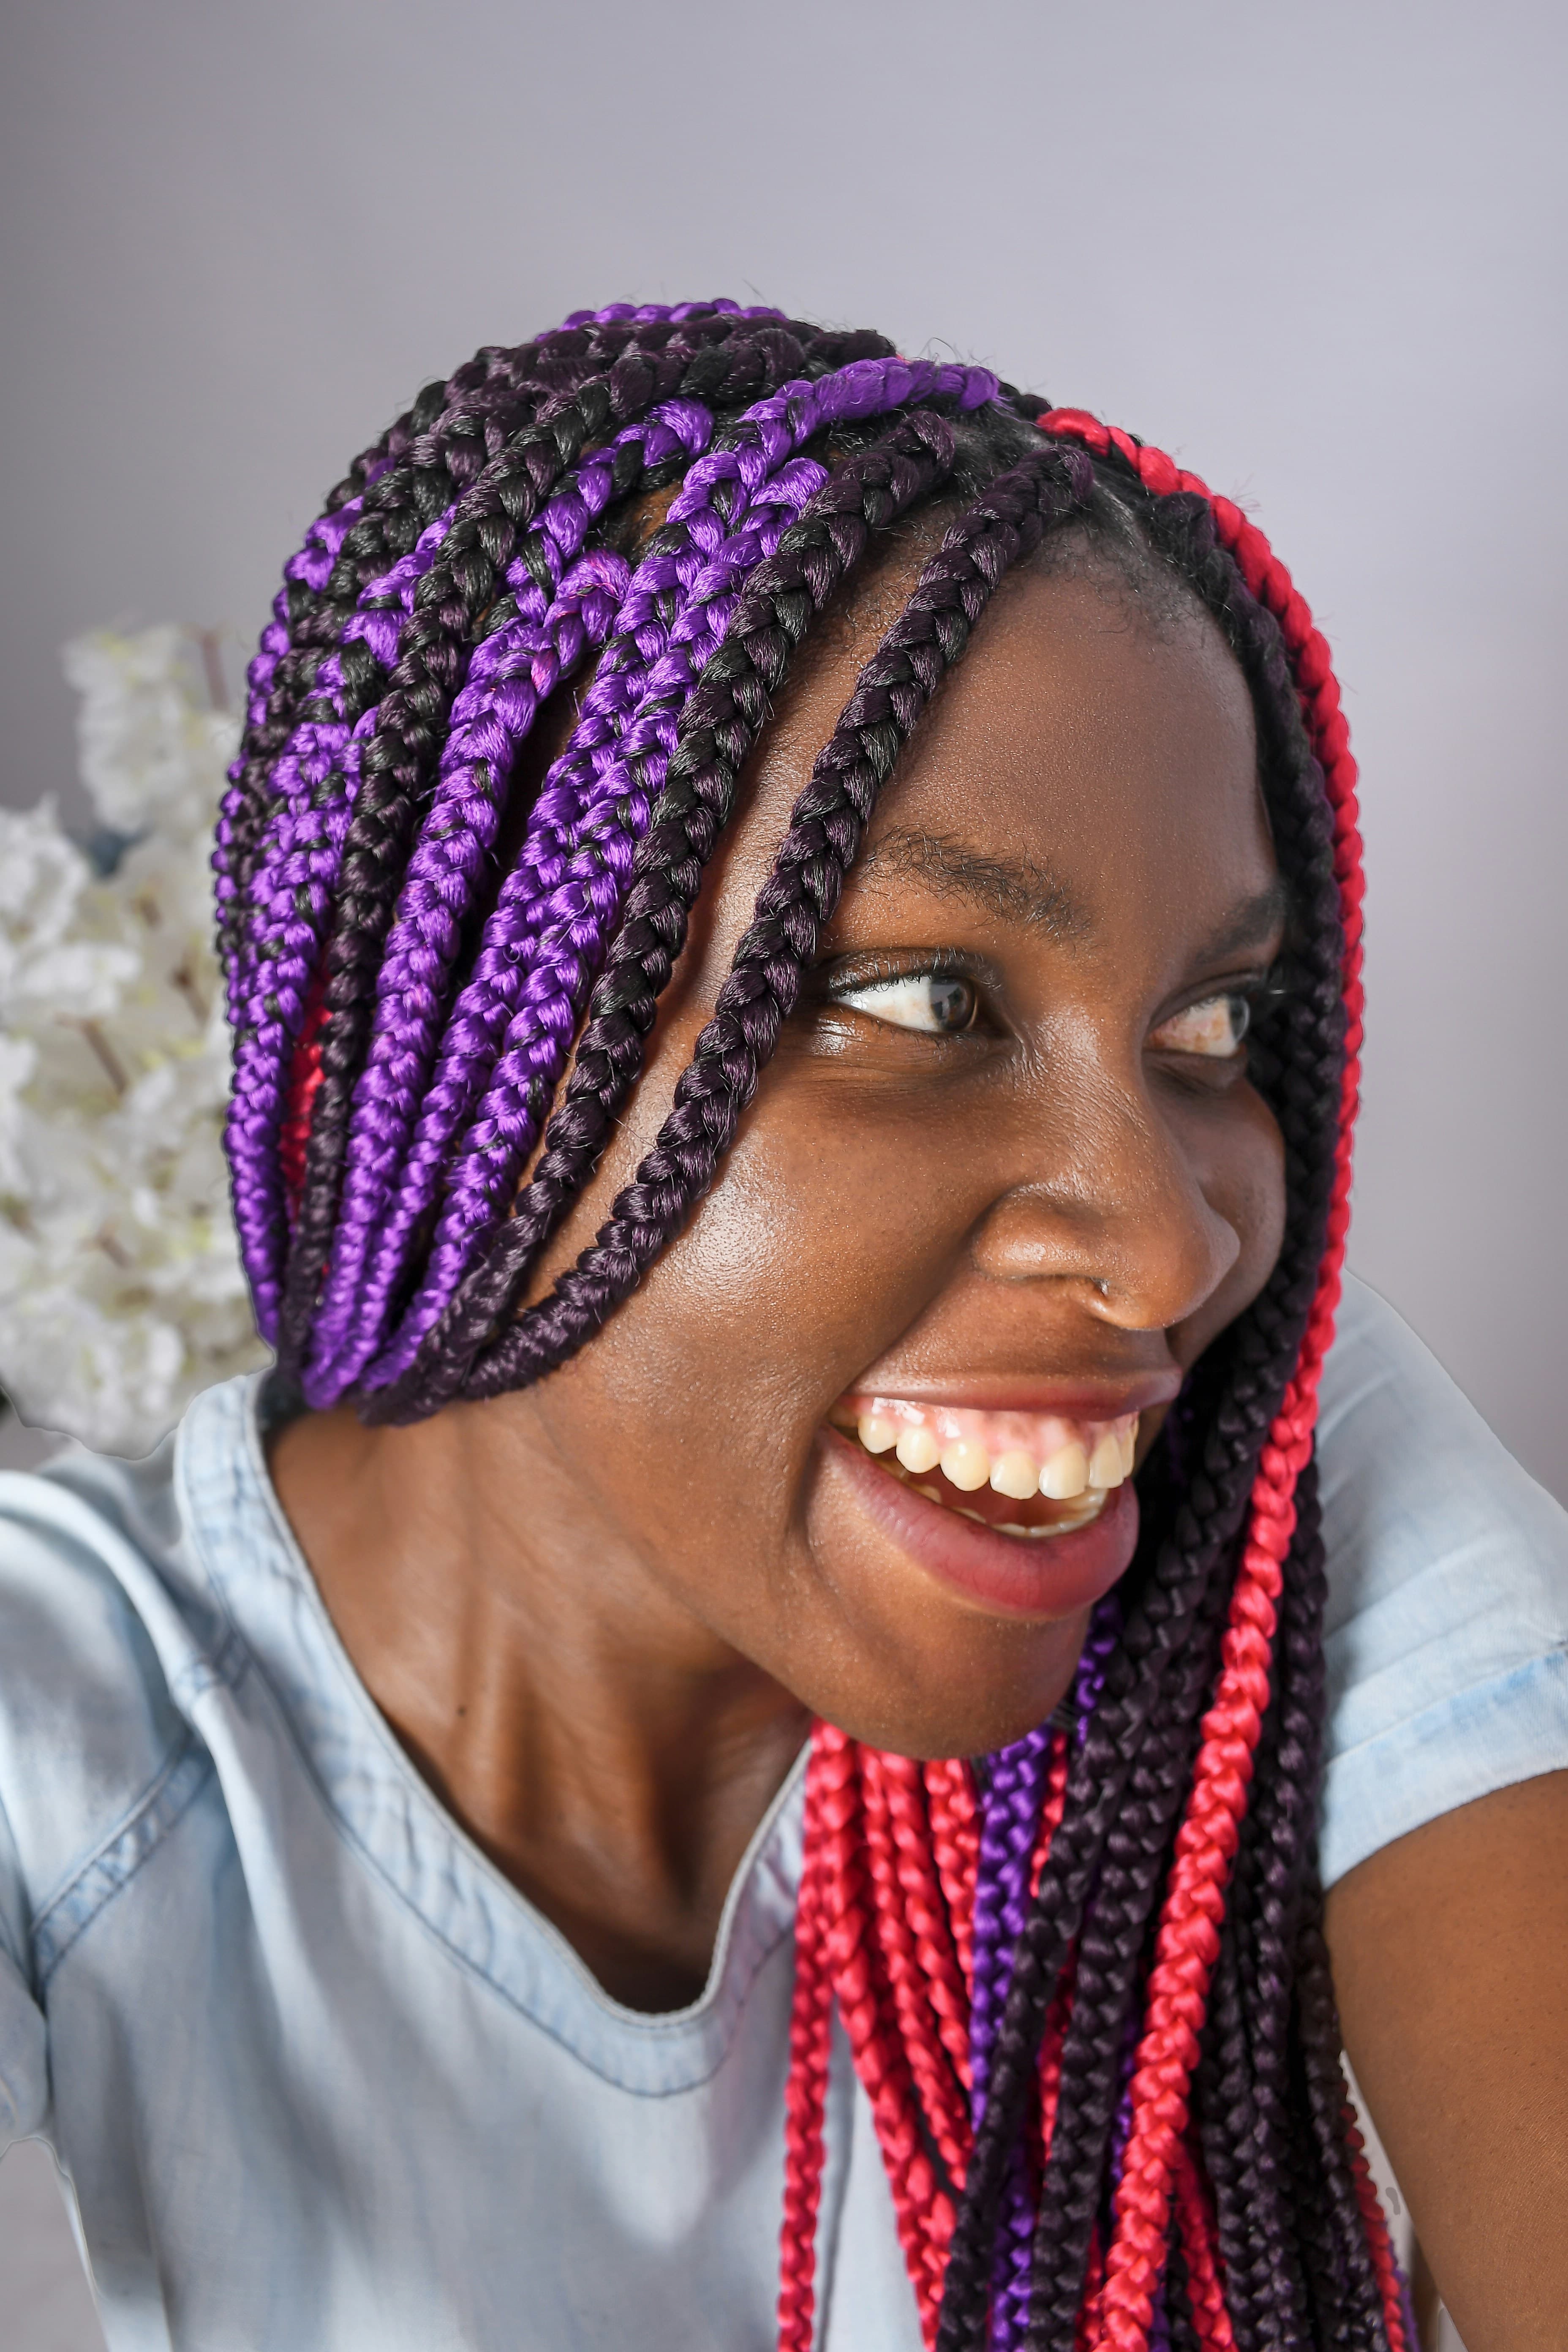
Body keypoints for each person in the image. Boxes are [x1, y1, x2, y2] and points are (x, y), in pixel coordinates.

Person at [0, 300, 1563, 2352]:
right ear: (463, 1052)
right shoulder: (58, 1765)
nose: (1173, 1250)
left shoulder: (1253, 1473)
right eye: (924, 1001)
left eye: (1212, 1029)